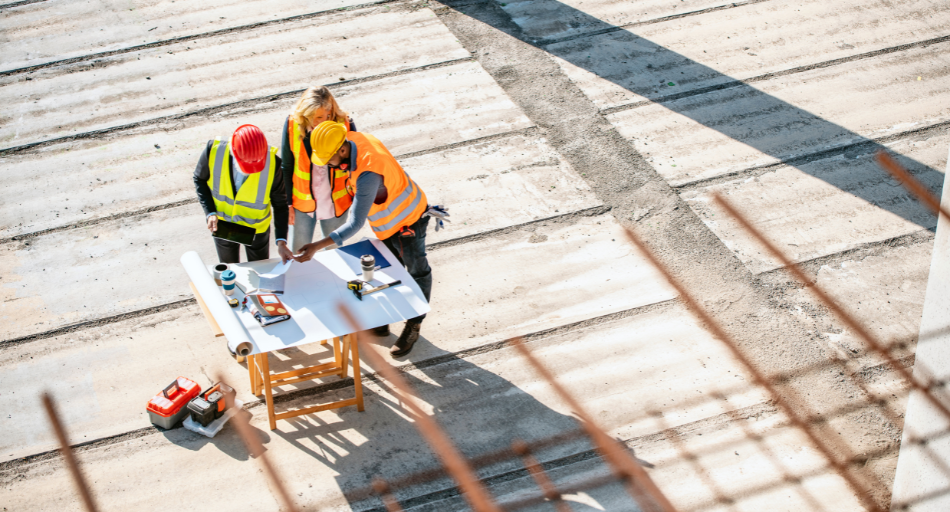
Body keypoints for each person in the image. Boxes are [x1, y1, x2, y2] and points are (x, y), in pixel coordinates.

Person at [294, 121, 433, 358]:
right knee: (390, 270)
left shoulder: (368, 173)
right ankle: (383, 320)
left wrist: (318, 246)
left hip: (408, 220)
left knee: (417, 271)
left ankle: (414, 324)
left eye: (328, 158)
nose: (327, 163)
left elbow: (355, 224)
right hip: (389, 221)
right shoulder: (354, 138)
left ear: (341, 150)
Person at [193, 124, 294, 264]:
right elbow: (199, 179)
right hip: (224, 225)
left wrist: (281, 242)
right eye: (246, 164)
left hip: (255, 230)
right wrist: (210, 212)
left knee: (260, 270)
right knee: (230, 270)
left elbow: (280, 204)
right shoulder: (214, 151)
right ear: (233, 152)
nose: (252, 170)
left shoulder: (273, 163)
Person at [281, 86, 357, 253]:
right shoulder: (292, 124)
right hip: (303, 203)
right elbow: (286, 166)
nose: (321, 122)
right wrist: (287, 204)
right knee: (298, 252)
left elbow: (355, 162)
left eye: (326, 116)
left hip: (335, 202)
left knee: (335, 253)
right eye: (315, 118)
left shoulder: (345, 124)